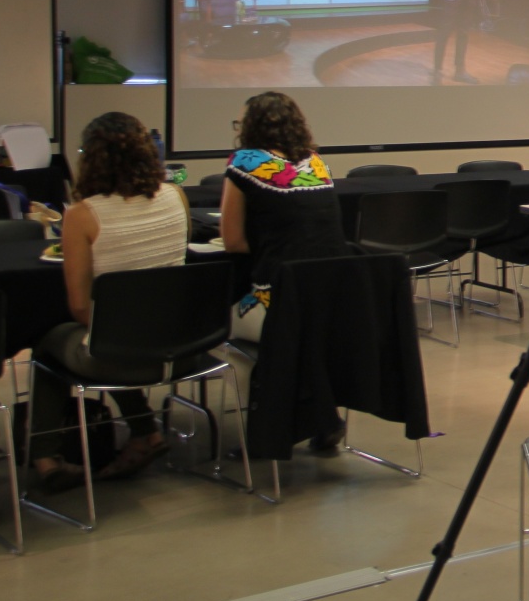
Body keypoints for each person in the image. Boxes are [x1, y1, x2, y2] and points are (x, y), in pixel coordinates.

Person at [29, 114, 190, 493]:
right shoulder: (176, 196)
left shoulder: (83, 216)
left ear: (91, 159)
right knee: (124, 333)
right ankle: (145, 432)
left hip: (120, 355)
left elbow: (80, 308)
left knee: (49, 343)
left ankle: (46, 457)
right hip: (183, 349)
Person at [221, 92, 352, 345]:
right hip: (331, 301)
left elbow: (233, 243)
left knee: (220, 324)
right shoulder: (316, 162)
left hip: (279, 302)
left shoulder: (243, 162)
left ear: (251, 126)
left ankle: (259, 382)